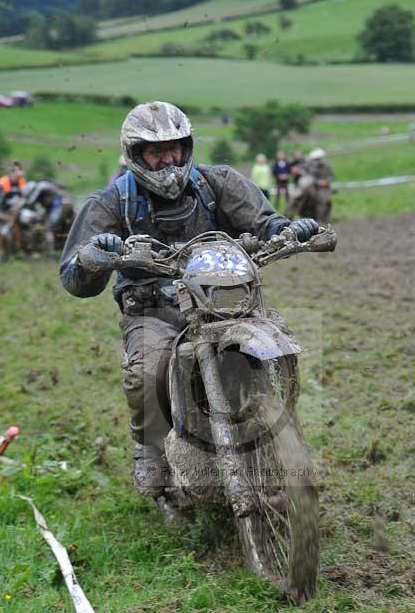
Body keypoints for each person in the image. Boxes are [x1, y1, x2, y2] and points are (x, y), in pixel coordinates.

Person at [59, 101, 319, 498]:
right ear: (135, 154)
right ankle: (151, 448)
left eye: (175, 147)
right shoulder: (111, 202)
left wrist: (290, 230)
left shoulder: (218, 183)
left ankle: (278, 437)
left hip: (223, 301)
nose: (168, 159)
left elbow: (265, 222)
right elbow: (74, 278)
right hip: (153, 310)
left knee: (272, 343)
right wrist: (95, 256)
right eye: (156, 151)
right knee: (148, 371)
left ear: (188, 145)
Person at [23, 180, 75, 251]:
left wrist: (25, 205)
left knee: (48, 228)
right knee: (69, 226)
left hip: (59, 205)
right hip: (67, 204)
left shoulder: (40, 187)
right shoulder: (47, 186)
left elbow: (31, 202)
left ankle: (49, 254)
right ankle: (62, 245)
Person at [288, 148, 335, 224]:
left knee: (322, 199)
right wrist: (297, 170)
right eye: (314, 159)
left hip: (321, 187)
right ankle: (290, 216)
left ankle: (321, 219)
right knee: (296, 197)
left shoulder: (326, 167)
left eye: (317, 159)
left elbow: (330, 177)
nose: (315, 161)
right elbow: (301, 170)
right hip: (308, 186)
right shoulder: (307, 164)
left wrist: (325, 182)